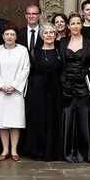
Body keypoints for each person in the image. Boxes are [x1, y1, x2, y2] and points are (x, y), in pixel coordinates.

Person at [59, 12, 90, 163]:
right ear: (68, 26)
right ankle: (68, 152)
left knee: (84, 118)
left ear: (81, 25)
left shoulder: (89, 42)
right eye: (73, 23)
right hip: (67, 85)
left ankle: (86, 152)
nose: (75, 26)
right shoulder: (62, 42)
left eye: (78, 23)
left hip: (83, 84)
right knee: (68, 118)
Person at [0, 23, 30, 162]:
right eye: (7, 34)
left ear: (16, 36)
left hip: (16, 91)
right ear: (3, 36)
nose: (9, 37)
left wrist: (15, 85)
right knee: (3, 122)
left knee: (15, 121)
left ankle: (14, 150)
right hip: (1, 90)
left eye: (12, 34)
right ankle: (5, 150)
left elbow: (25, 68)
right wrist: (1, 85)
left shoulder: (23, 50)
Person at [25, 23, 62, 161]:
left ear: (55, 34)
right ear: (41, 36)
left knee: (53, 119)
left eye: (52, 32)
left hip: (55, 90)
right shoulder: (35, 51)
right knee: (39, 119)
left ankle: (53, 151)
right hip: (38, 90)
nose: (49, 35)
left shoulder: (60, 50)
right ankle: (38, 151)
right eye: (46, 33)